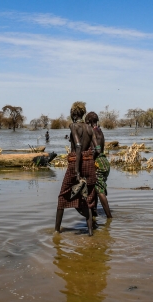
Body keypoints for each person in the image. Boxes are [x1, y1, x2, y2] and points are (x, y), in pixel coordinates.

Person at [55, 101, 99, 236]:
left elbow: (78, 146)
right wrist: (90, 159)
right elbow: (97, 149)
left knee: (63, 196)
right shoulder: (90, 129)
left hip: (76, 164)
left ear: (73, 114)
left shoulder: (74, 126)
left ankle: (56, 231)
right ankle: (91, 232)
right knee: (88, 199)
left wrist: (77, 170)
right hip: (89, 164)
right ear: (83, 113)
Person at [85, 112, 112, 218]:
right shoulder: (100, 131)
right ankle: (94, 213)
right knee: (95, 188)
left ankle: (109, 217)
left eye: (87, 122)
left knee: (99, 190)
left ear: (90, 122)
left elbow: (96, 150)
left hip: (98, 162)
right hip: (104, 161)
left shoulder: (92, 132)